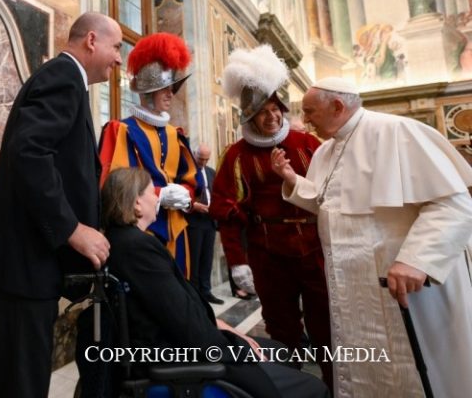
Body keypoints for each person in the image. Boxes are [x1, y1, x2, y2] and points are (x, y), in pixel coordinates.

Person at [271, 76, 472, 398]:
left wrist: (416, 260)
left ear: (337, 106)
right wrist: (293, 179)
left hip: (405, 288)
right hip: (353, 290)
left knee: (416, 372)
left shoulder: (397, 132)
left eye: (309, 112)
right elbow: (330, 203)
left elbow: (454, 204)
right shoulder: (325, 152)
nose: (305, 121)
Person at [0, 12, 122, 397]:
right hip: (24, 262)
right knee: (22, 383)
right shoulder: (63, 77)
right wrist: (71, 228)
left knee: (15, 379)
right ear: (92, 40)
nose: (119, 58)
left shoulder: (67, 79)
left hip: (26, 261)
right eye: (117, 47)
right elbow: (30, 154)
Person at [102, 167, 330, 398]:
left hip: (177, 344)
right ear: (137, 203)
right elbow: (183, 320)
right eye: (152, 192)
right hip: (179, 357)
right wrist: (233, 346)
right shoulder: (137, 248)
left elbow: (177, 308)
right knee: (314, 388)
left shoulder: (125, 241)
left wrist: (224, 328)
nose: (157, 198)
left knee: (280, 351)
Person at [210, 45, 332, 389]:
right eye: (262, 112)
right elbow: (227, 213)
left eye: (275, 109)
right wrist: (238, 262)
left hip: (315, 250)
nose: (272, 117)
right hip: (268, 256)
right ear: (249, 118)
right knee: (281, 329)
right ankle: (290, 387)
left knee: (326, 325)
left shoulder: (308, 143)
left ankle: (334, 386)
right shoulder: (236, 155)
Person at [99, 32, 202, 277]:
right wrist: (158, 194)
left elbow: (191, 181)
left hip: (177, 231)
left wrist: (185, 196)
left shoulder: (175, 134)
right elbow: (110, 185)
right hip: (139, 232)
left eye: (171, 88)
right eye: (163, 89)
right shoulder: (120, 130)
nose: (170, 94)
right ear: (147, 93)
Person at [185, 143, 224, 304]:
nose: (203, 162)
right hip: (194, 222)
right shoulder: (188, 172)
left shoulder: (211, 172)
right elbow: (183, 195)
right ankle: (195, 294)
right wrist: (194, 205)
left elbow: (216, 193)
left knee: (207, 259)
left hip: (210, 221)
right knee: (195, 259)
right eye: (201, 158)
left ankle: (206, 291)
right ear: (194, 155)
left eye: (206, 159)